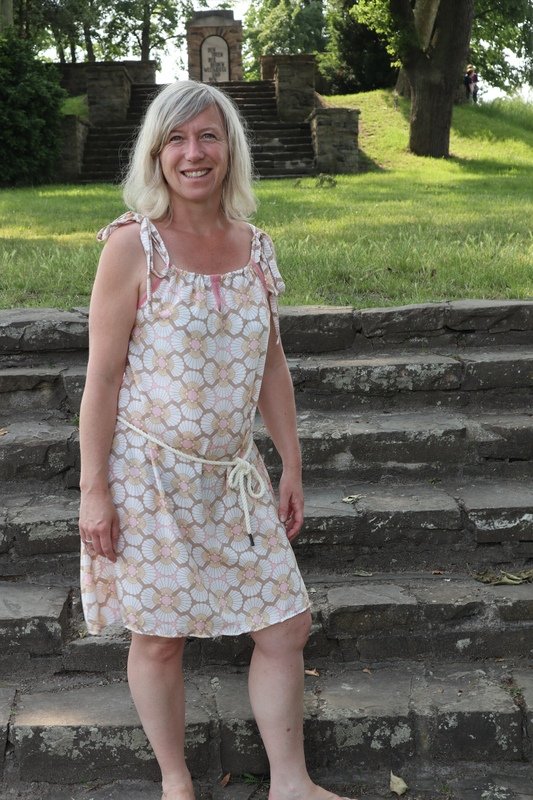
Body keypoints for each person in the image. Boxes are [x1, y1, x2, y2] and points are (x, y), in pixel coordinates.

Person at [78, 80, 355, 800]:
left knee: (285, 625)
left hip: (235, 475)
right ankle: (176, 783)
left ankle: (290, 783)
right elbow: (102, 379)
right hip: (148, 475)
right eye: (175, 139)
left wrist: (290, 463)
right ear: (155, 154)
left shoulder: (255, 248)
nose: (192, 153)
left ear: (230, 148)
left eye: (207, 136)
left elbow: (271, 362)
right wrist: (94, 490)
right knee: (158, 637)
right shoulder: (132, 247)